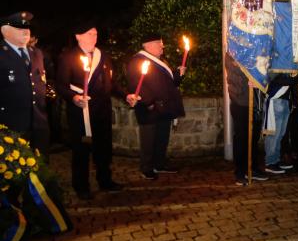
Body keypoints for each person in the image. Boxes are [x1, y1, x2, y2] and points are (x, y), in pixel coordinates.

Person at [55, 21, 135, 200]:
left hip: (102, 109)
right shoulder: (68, 57)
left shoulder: (103, 55)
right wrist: (74, 97)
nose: (94, 37)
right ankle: (81, 186)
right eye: (90, 34)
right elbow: (61, 85)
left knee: (104, 147)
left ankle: (105, 180)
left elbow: (111, 83)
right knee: (81, 149)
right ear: (78, 36)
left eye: (95, 34)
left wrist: (126, 95)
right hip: (81, 110)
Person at [127, 33, 185, 180]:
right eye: (160, 44)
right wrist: (150, 103)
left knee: (162, 138)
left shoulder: (161, 61)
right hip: (149, 108)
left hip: (164, 107)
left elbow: (169, 83)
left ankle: (159, 164)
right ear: (149, 45)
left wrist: (178, 75)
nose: (162, 46)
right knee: (149, 139)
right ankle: (146, 167)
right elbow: (135, 84)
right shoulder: (137, 61)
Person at [0, 12, 49, 153]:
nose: (26, 31)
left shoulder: (37, 53)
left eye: (27, 28)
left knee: (41, 163)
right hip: (11, 125)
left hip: (39, 123)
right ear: (5, 31)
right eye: (19, 28)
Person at [225, 53, 269, 186]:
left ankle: (252, 168)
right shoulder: (233, 51)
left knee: (254, 137)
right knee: (242, 138)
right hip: (241, 101)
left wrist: (261, 80)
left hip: (256, 101)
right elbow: (232, 75)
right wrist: (248, 80)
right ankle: (240, 172)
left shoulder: (255, 48)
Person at [263, 72, 298, 174]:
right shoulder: (274, 64)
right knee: (274, 134)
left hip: (285, 99)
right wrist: (295, 79)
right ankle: (270, 162)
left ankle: (276, 159)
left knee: (281, 134)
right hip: (276, 99)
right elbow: (277, 79)